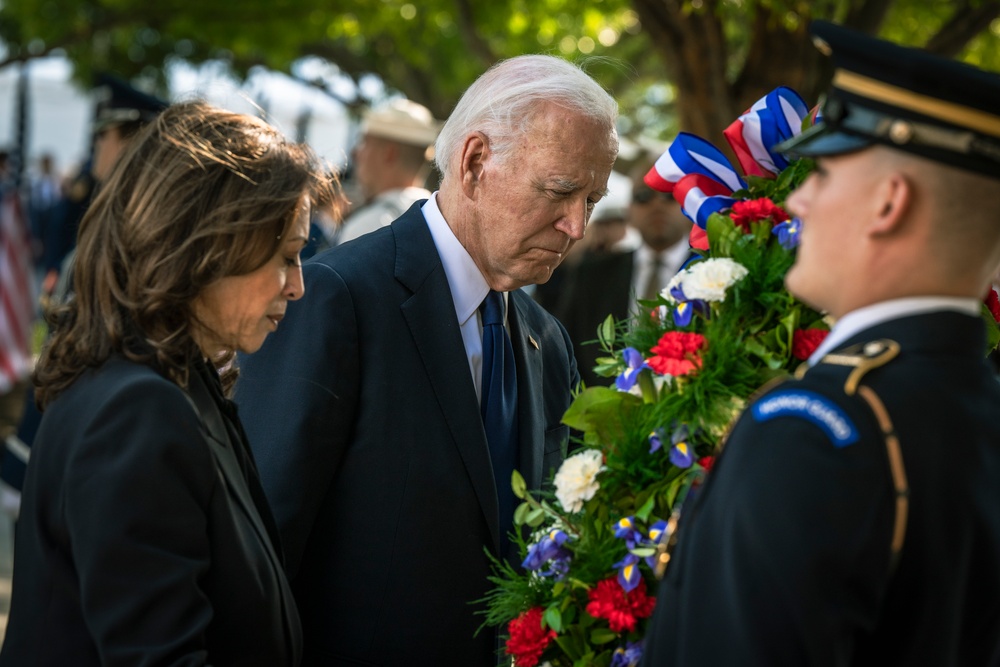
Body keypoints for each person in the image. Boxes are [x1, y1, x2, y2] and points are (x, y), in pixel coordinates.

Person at [234, 54, 619, 665]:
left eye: (593, 199)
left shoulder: (548, 341)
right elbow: (257, 554)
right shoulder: (336, 297)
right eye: (560, 191)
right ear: (474, 163)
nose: (576, 225)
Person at [643, 20, 1000, 666]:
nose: (798, 196)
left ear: (889, 202)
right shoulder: (977, 405)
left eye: (824, 172)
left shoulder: (811, 430)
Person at [0, 100, 340, 666]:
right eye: (285, 257)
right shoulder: (138, 409)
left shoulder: (175, 381)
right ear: (205, 248)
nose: (297, 285)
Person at [0, 74, 169, 516]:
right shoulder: (117, 220)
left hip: (86, 457)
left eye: (105, 134)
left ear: (132, 139)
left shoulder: (130, 232)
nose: (97, 144)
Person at [554, 158, 693, 386]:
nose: (657, 205)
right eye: (643, 196)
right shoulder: (593, 274)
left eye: (669, 195)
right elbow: (564, 346)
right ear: (629, 210)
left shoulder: (714, 272)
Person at [334, 98, 439, 245]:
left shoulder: (366, 229)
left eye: (364, 142)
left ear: (389, 154)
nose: (355, 153)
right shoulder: (439, 222)